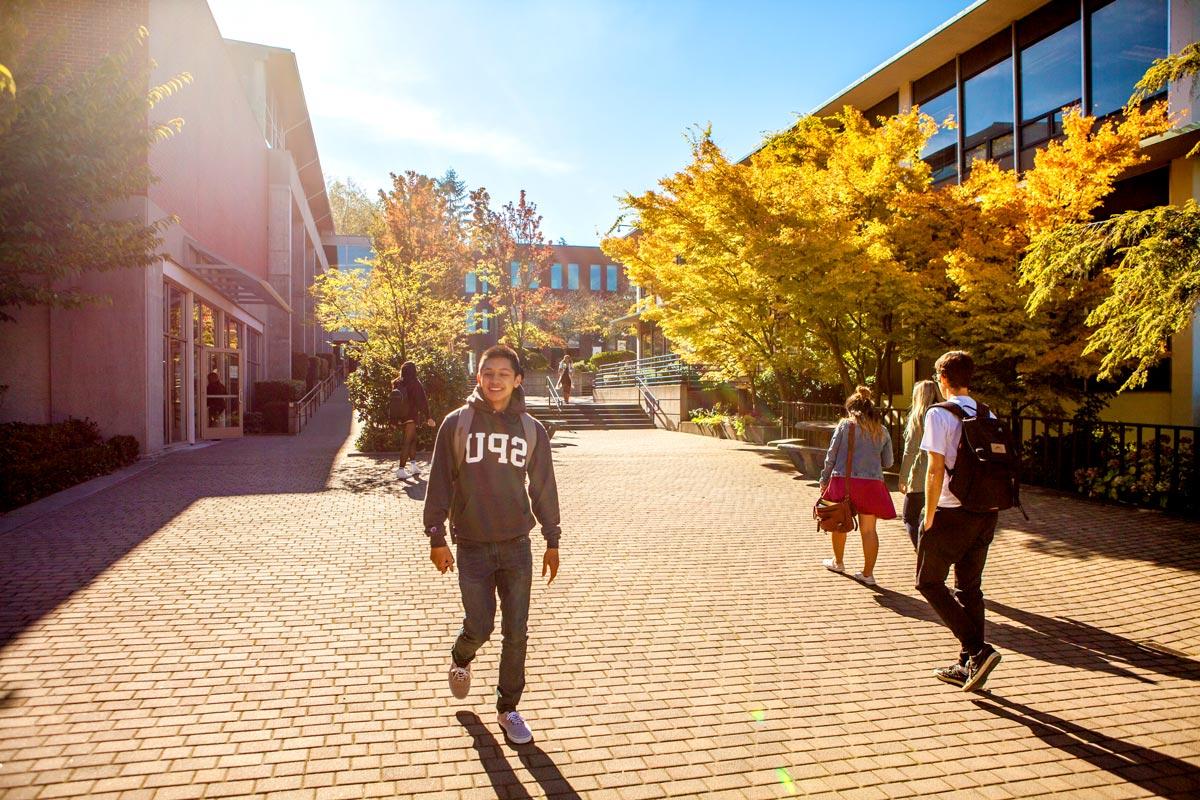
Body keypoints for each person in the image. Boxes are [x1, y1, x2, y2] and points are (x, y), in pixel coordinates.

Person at [423, 344, 561, 745]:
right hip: (472, 546)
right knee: (480, 626)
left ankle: (508, 708)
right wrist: (436, 536)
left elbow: (543, 487)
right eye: (488, 373)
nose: (495, 380)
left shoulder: (531, 429)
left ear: (517, 380)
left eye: (504, 373)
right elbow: (440, 481)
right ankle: (462, 656)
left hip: (518, 545)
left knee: (516, 632)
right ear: (478, 377)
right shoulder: (458, 423)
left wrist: (552, 538)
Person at [916, 350, 1002, 692]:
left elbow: (935, 468)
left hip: (952, 511)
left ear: (943, 379)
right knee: (969, 588)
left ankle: (978, 650)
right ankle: (969, 664)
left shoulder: (939, 414)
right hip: (987, 511)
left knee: (928, 582)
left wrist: (930, 513)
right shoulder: (987, 412)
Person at [818, 386, 896, 586]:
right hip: (871, 484)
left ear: (851, 409)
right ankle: (868, 574)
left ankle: (838, 562)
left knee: (839, 520)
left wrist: (824, 479)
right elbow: (888, 462)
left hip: (843, 481)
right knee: (869, 530)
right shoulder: (882, 430)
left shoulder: (845, 426)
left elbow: (831, 455)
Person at [898, 380, 940, 549]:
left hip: (921, 475)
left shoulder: (918, 418)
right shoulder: (943, 414)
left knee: (909, 516)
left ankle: (922, 549)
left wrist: (902, 477)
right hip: (941, 476)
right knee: (933, 516)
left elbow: (910, 451)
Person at [394, 361, 434, 481]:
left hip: (401, 416)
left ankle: (413, 466)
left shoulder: (397, 382)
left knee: (412, 440)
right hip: (411, 416)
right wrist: (428, 416)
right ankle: (401, 469)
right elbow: (422, 401)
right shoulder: (415, 383)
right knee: (407, 441)